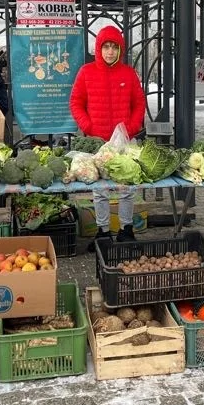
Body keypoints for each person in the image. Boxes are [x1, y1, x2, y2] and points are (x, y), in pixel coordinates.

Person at [70, 25, 146, 245]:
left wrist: (131, 128)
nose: (110, 51)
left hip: (124, 142)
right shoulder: (86, 72)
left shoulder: (128, 73)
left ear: (120, 49)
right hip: (98, 141)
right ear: (99, 49)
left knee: (126, 187)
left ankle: (126, 229)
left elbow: (139, 103)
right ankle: (102, 231)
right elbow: (76, 102)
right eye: (106, 47)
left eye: (114, 47)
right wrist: (88, 126)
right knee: (100, 189)